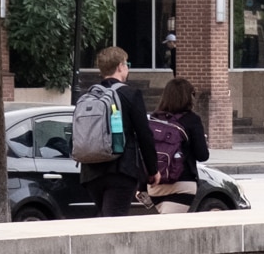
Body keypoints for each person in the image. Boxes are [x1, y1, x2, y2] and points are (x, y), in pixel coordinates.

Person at [78, 45, 155, 216]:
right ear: (120, 66)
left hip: (91, 172)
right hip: (121, 170)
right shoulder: (130, 94)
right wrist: (153, 169)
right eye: (127, 64)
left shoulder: (89, 96)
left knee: (105, 216)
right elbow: (144, 135)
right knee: (113, 223)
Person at [146, 77, 211, 212]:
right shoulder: (192, 120)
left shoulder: (153, 119)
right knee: (170, 229)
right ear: (188, 97)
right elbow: (202, 155)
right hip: (182, 184)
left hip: (155, 186)